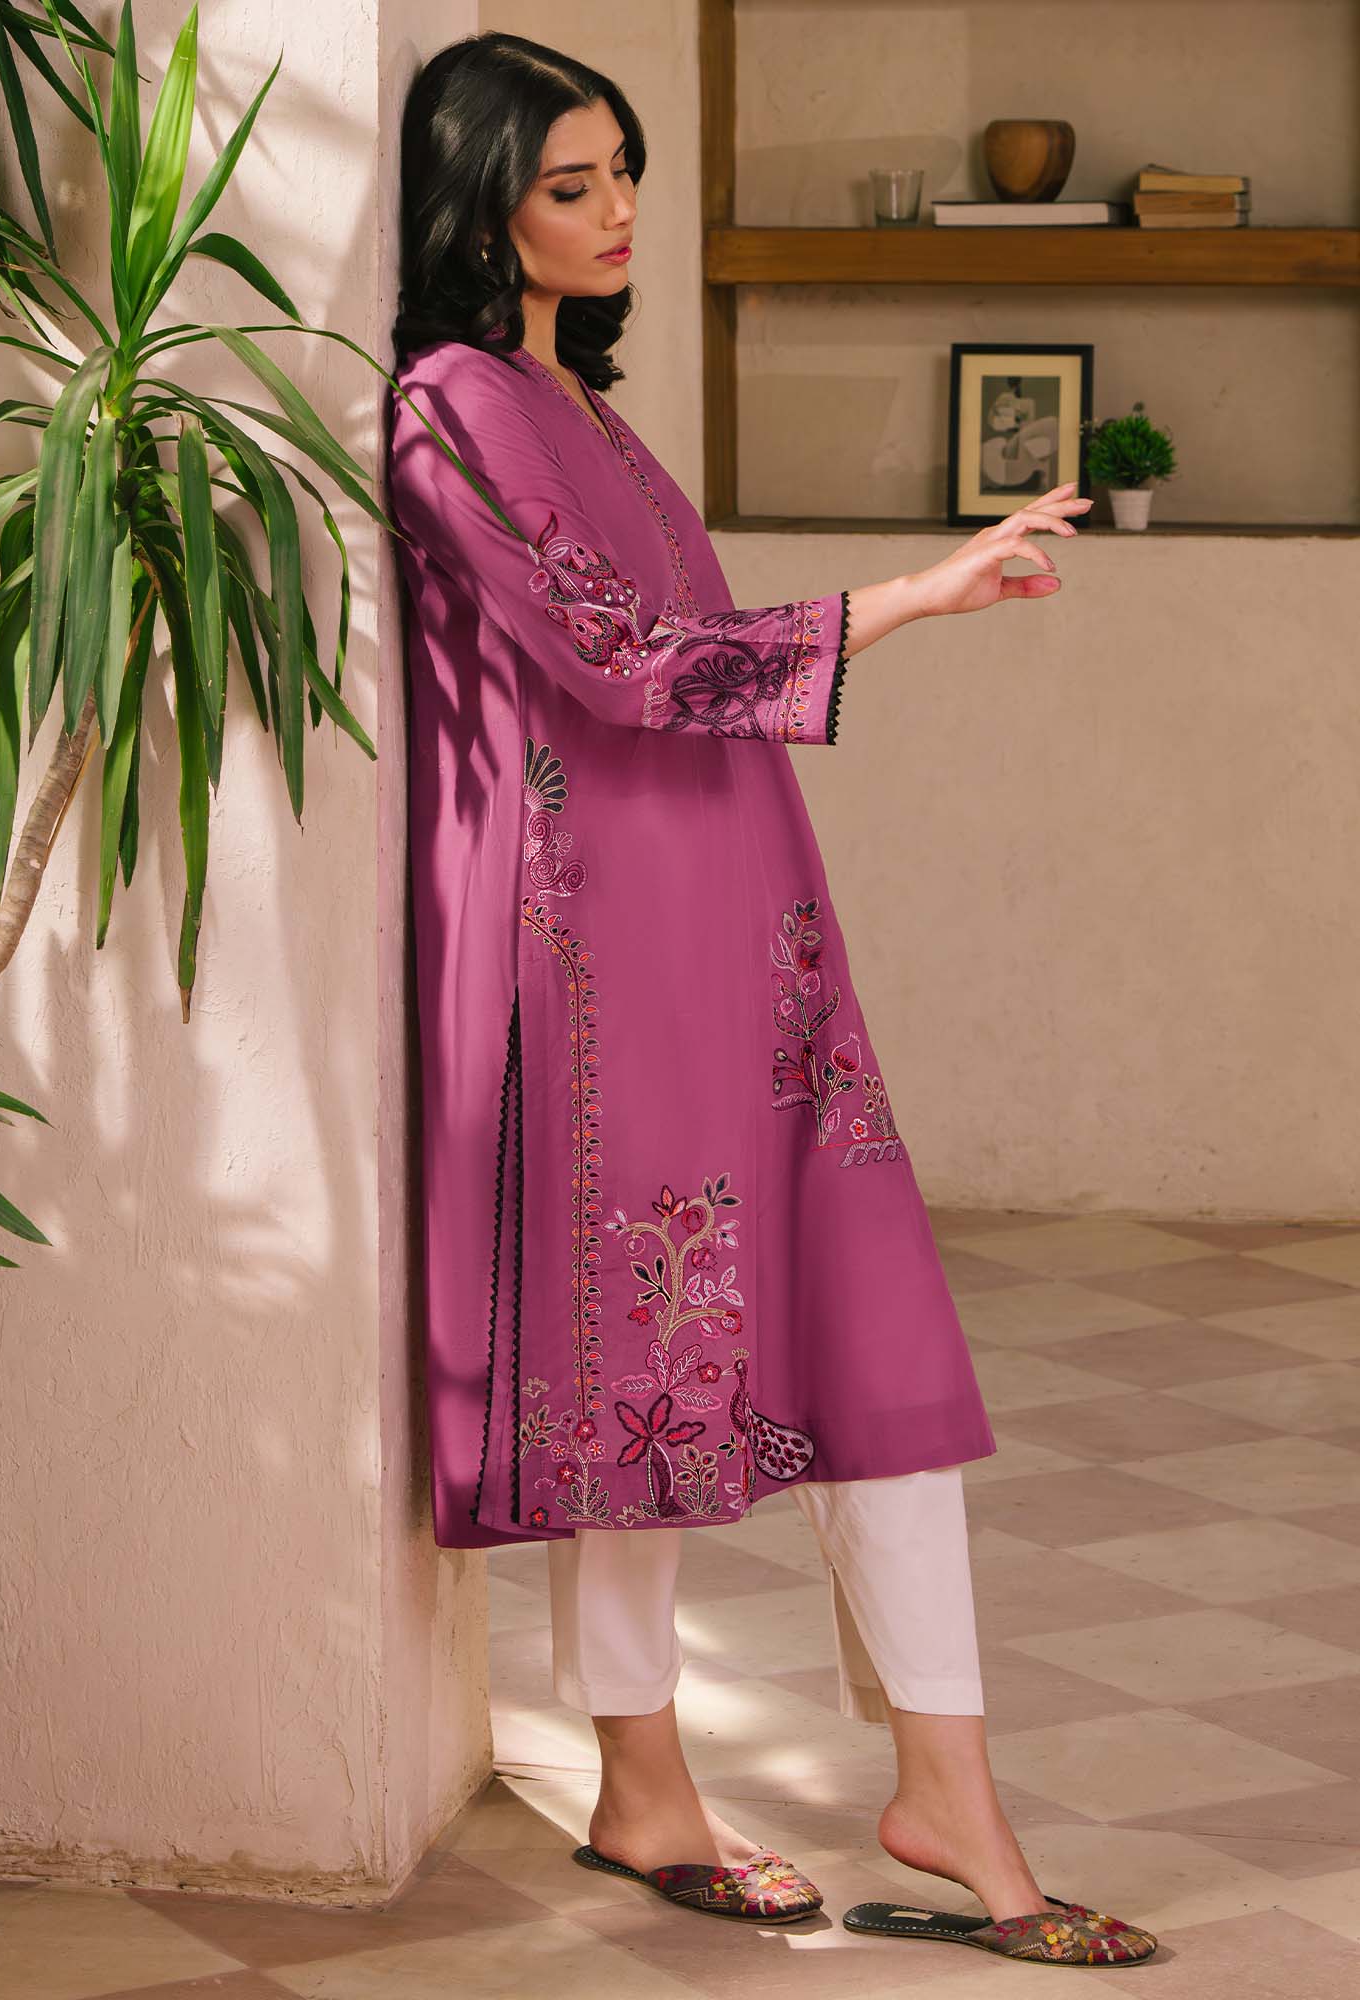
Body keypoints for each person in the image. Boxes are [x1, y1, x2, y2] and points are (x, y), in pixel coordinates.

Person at [384, 30, 1153, 1969]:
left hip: (743, 919)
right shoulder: (451, 406)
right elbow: (626, 662)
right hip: (593, 953)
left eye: (625, 172)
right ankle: (645, 1785)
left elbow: (681, 655)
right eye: (570, 185)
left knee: (868, 1326)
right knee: (639, 1364)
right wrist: (912, 599)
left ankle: (950, 1787)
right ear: (478, 207)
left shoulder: (588, 407)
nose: (617, 211)